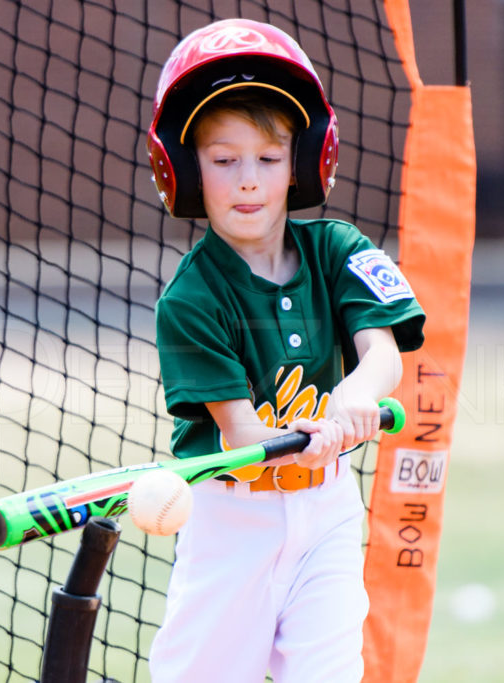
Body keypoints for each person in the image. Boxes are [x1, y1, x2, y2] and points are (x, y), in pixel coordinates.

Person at [146, 18, 426, 683]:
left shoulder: (338, 250)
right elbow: (241, 432)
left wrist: (353, 397)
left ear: (302, 163)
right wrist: (299, 436)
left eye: (269, 159)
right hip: (233, 519)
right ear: (185, 169)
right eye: (223, 159)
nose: (248, 180)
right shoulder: (191, 299)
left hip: (326, 511)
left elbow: (381, 354)